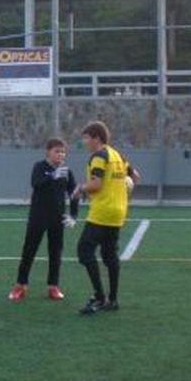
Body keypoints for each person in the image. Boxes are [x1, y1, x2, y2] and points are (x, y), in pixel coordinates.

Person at [70, 120, 140, 314]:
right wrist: (123, 190)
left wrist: (80, 189)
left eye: (86, 138)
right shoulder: (118, 155)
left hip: (102, 212)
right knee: (110, 255)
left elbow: (96, 185)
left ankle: (99, 297)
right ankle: (113, 299)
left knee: (84, 251)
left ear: (96, 138)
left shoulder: (99, 156)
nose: (84, 142)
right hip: (118, 212)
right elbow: (135, 177)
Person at [8, 137, 79, 303]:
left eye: (63, 152)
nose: (60, 155)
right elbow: (36, 184)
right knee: (29, 251)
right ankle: (20, 285)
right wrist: (52, 176)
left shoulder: (67, 171)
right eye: (57, 151)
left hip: (57, 218)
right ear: (48, 152)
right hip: (38, 217)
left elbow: (74, 193)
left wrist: (73, 215)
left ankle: (53, 286)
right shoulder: (39, 167)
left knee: (55, 252)